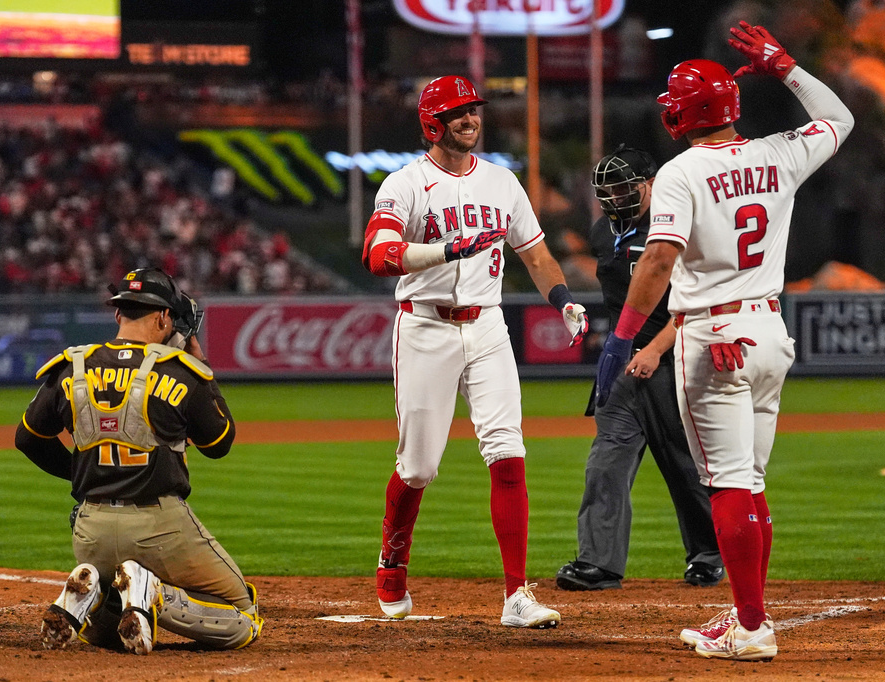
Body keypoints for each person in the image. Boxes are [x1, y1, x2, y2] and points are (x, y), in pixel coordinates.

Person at [594, 22, 853, 660]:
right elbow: (839, 118)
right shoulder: (777, 153)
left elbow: (656, 263)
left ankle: (752, 628)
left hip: (712, 334)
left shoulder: (681, 173)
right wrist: (784, 64)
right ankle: (746, 614)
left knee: (730, 485)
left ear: (685, 113)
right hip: (769, 329)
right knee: (752, 481)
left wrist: (621, 338)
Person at [361, 74, 589, 628]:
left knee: (508, 452)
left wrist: (562, 300)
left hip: (487, 325)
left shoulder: (503, 183)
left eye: (474, 110)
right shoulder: (405, 184)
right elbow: (377, 253)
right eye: (459, 112)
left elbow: (536, 255)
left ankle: (516, 594)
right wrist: (444, 250)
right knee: (418, 467)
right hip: (425, 328)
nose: (471, 119)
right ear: (431, 124)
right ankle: (393, 560)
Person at [15, 267, 263, 655]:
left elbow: (26, 438)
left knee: (105, 635)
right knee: (244, 617)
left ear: (118, 315)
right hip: (158, 529)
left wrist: (79, 473)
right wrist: (205, 373)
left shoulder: (73, 364)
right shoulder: (180, 372)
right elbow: (219, 442)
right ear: (163, 318)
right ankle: (154, 592)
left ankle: (93, 591)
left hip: (90, 531)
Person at [556, 146, 723, 592]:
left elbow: (696, 302)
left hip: (675, 361)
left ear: (651, 184)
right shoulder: (600, 231)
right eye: (608, 189)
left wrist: (653, 349)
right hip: (624, 365)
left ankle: (708, 556)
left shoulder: (675, 228)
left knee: (684, 468)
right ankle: (599, 563)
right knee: (605, 461)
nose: (615, 196)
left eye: (625, 186)